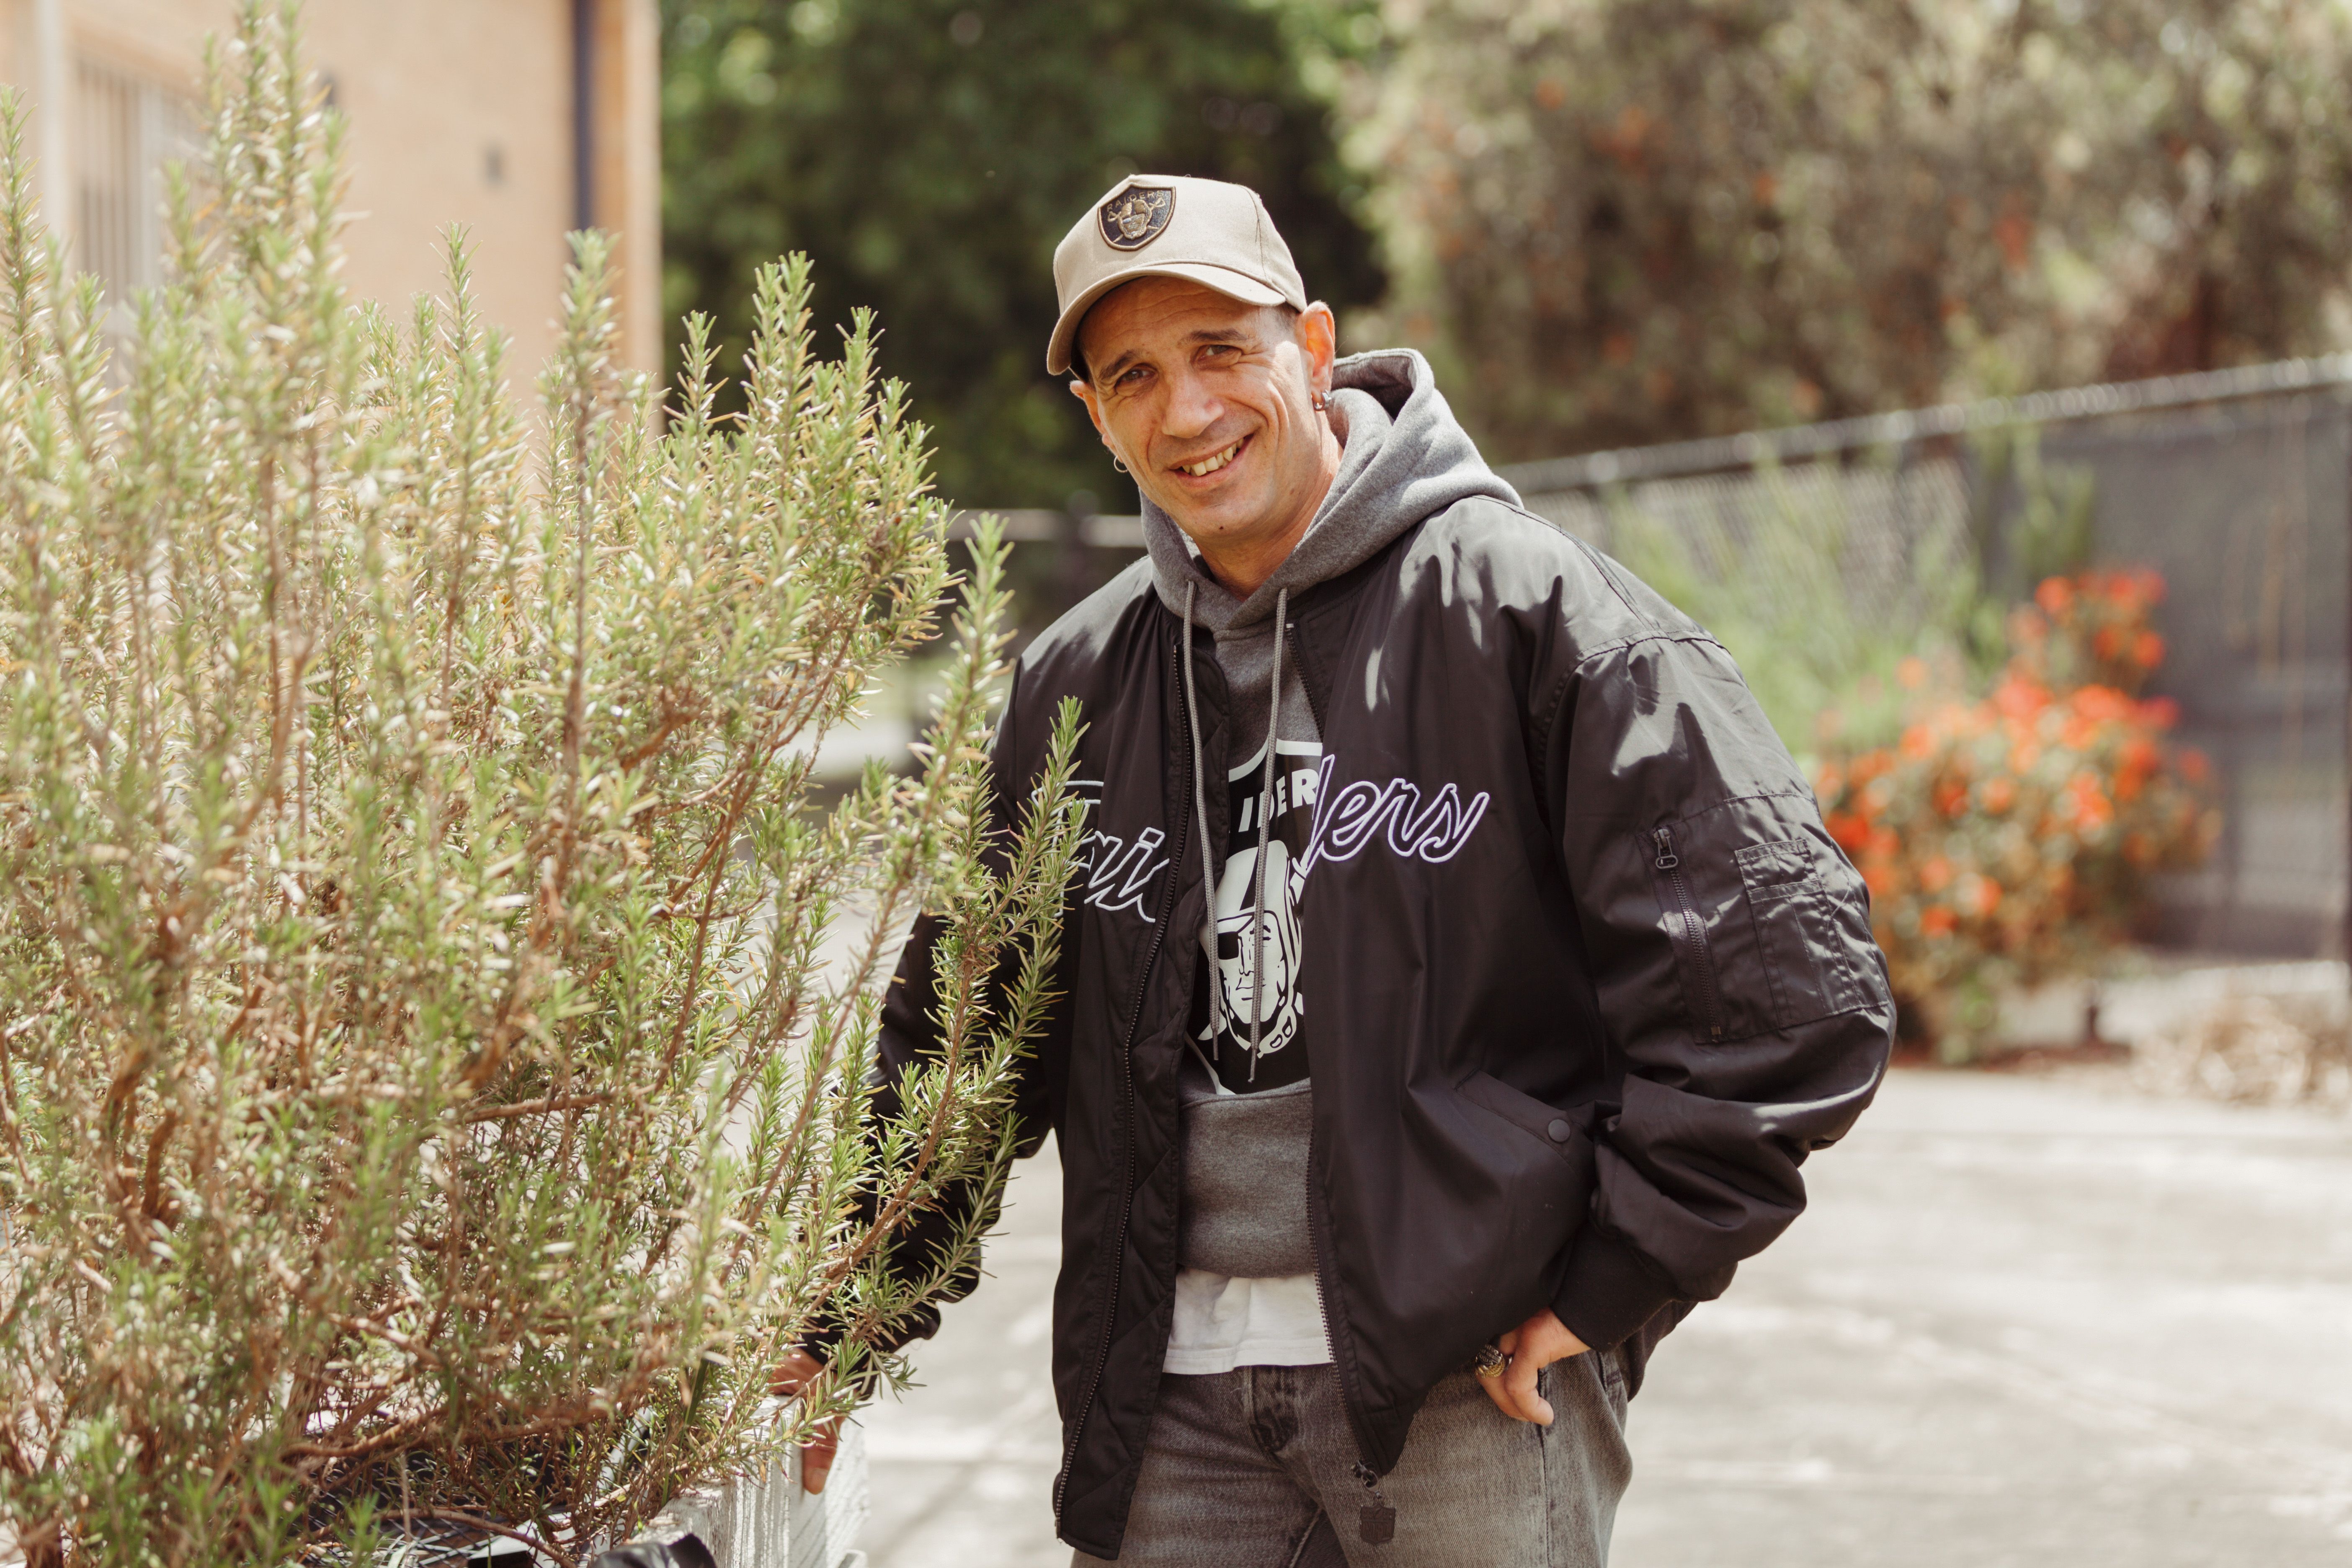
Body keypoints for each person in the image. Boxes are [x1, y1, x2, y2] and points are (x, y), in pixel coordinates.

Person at [788, 173, 1896, 1566]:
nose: (1186, 411)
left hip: (1466, 1393)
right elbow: (957, 1049)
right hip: (1166, 1404)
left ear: (1312, 349)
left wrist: (1613, 1281)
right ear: (1096, 417)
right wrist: (835, 1325)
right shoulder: (1075, 685)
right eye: (1133, 375)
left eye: (1220, 351)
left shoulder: (1536, 616)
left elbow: (1788, 993)